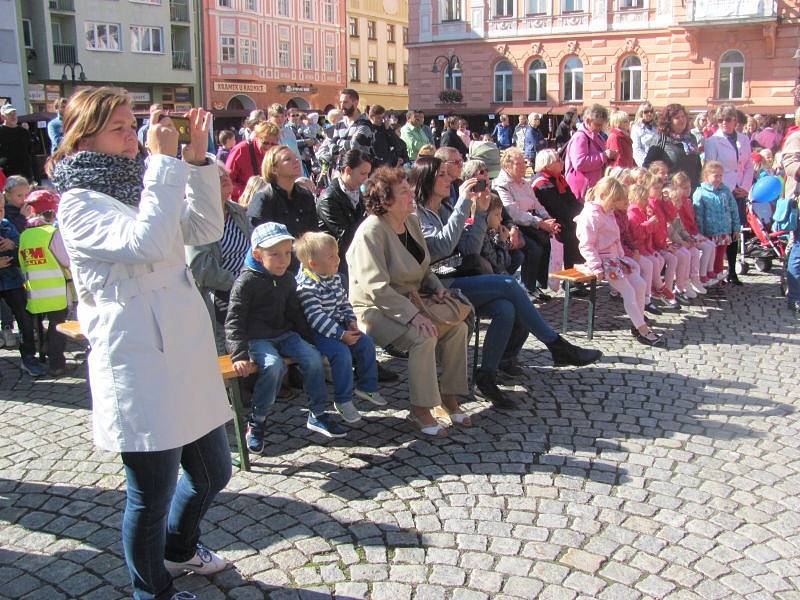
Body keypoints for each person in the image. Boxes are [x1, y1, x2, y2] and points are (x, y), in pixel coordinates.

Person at [49, 88, 232, 600]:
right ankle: (151, 591)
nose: (135, 137)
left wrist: (194, 164)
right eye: (121, 129)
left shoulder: (145, 183)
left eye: (135, 125)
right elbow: (145, 242)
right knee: (149, 493)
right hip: (139, 359)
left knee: (214, 471)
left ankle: (179, 547)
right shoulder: (79, 203)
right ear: (84, 136)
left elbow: (204, 226)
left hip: (184, 349)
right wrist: (164, 165)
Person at [411, 156, 602, 408]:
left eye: (449, 174)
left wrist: (479, 214)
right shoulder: (418, 214)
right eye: (443, 175)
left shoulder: (446, 207)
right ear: (427, 179)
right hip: (434, 286)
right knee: (509, 285)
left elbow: (469, 248)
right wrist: (462, 205)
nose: (450, 180)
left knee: (506, 307)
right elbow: (440, 247)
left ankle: (487, 375)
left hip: (459, 277)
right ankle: (556, 345)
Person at [346, 166, 471, 435]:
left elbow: (424, 268)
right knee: (422, 336)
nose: (411, 194)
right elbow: (375, 288)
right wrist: (413, 316)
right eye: (403, 192)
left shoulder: (411, 222)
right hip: (374, 309)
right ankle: (420, 410)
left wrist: (436, 288)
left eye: (409, 189)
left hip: (414, 300)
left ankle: (449, 396)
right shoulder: (371, 232)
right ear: (385, 201)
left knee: (457, 328)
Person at [226, 222, 347, 450]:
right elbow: (235, 320)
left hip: (284, 334)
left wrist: (309, 340)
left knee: (312, 358)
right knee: (273, 366)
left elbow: (295, 312)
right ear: (257, 255)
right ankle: (258, 420)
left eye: (286, 254)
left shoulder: (287, 278)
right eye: (275, 254)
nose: (283, 260)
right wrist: (239, 354)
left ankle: (318, 412)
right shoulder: (246, 282)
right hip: (257, 339)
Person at [295, 231, 386, 424]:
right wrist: (341, 334)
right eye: (331, 256)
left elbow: (343, 303)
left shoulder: (333, 277)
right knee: (341, 354)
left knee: (366, 343)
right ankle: (343, 400)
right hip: (319, 332)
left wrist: (351, 320)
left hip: (339, 326)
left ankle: (367, 386)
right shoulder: (307, 288)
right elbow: (316, 318)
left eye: (337, 254)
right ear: (313, 264)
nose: (337, 259)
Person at [575, 177, 663, 346]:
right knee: (628, 291)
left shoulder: (607, 212)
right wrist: (596, 266)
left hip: (615, 259)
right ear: (603, 195)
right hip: (602, 261)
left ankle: (637, 323)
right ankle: (642, 328)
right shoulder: (590, 216)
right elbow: (586, 245)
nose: (615, 205)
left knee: (640, 285)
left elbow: (616, 238)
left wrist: (622, 257)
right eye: (613, 201)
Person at [186, 164, 249, 331]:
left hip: (248, 285)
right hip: (218, 292)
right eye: (216, 175)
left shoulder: (238, 211)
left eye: (225, 173)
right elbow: (202, 269)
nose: (224, 177)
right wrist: (239, 285)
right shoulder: (195, 218)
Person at [17, 189, 72, 375]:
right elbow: (66, 260)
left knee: (38, 326)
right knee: (58, 326)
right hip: (56, 290)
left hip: (34, 291)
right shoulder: (52, 233)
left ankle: (41, 354)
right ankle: (57, 363)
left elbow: (23, 262)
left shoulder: (25, 235)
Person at [493, 147, 557, 301]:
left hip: (530, 221)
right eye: (519, 164)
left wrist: (548, 219)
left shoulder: (524, 183)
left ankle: (535, 284)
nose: (524, 167)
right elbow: (513, 213)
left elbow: (537, 204)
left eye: (524, 163)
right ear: (507, 166)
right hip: (511, 224)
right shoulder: (501, 184)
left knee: (546, 242)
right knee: (533, 249)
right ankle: (526, 287)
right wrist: (540, 223)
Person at [247, 145, 318, 273]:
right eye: (287, 159)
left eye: (296, 158)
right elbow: (257, 241)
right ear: (274, 169)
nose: (296, 161)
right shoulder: (264, 198)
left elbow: (314, 233)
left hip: (306, 266)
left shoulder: (305, 195)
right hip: (278, 271)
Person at [703, 104, 753, 285]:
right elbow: (711, 167)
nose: (724, 122)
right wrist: (727, 187)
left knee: (735, 230)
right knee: (720, 231)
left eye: (728, 119)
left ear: (735, 121)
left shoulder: (744, 139)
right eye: (721, 119)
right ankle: (716, 270)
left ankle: (732, 270)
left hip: (740, 190)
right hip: (722, 189)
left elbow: (748, 165)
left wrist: (745, 186)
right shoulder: (713, 141)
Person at [317, 149, 371, 280]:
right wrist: (370, 217)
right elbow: (345, 235)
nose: (366, 179)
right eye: (363, 173)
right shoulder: (328, 199)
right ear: (348, 170)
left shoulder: (358, 193)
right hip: (337, 261)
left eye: (368, 174)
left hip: (357, 254)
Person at [531, 149, 583, 270]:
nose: (562, 161)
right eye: (558, 160)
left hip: (564, 217)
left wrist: (583, 213)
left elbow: (572, 200)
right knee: (572, 233)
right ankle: (571, 275)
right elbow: (557, 207)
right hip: (548, 220)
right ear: (548, 165)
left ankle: (578, 273)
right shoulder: (542, 183)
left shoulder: (559, 179)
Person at [627, 179, 674, 310]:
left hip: (644, 248)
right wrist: (649, 224)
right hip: (636, 250)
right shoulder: (632, 213)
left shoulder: (641, 212)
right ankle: (652, 293)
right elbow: (637, 234)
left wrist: (651, 224)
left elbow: (648, 235)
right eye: (644, 199)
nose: (646, 202)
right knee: (648, 264)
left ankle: (655, 290)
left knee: (658, 259)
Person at [692, 161, 741, 285]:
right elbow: (698, 215)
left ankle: (718, 280)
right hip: (709, 232)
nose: (719, 179)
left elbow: (733, 209)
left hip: (723, 231)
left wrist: (735, 228)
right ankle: (705, 278)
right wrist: (700, 233)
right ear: (706, 176)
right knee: (709, 258)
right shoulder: (701, 193)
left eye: (720, 176)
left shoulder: (725, 191)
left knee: (719, 257)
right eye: (715, 176)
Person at [669, 171, 717, 289]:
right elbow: (681, 225)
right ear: (676, 187)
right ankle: (699, 275)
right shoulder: (677, 203)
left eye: (689, 187)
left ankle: (708, 271)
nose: (688, 190)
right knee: (705, 247)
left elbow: (692, 221)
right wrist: (693, 237)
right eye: (684, 188)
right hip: (685, 235)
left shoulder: (688, 202)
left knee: (711, 244)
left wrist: (698, 235)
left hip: (692, 232)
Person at [643, 103, 702, 189]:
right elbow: (648, 166)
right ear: (668, 121)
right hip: (670, 191)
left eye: (683, 116)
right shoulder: (661, 139)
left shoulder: (691, 138)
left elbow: (697, 165)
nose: (682, 120)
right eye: (677, 118)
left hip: (691, 190)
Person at [565, 105, 616, 201]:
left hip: (592, 188)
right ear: (588, 121)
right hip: (582, 190)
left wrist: (610, 157)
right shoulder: (580, 137)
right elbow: (579, 163)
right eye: (597, 124)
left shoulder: (597, 136)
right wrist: (604, 156)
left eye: (602, 125)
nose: (600, 128)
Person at [225, 121, 280, 201]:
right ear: (256, 137)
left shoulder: (277, 152)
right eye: (265, 143)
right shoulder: (241, 150)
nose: (268, 147)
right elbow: (227, 182)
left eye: (273, 144)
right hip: (243, 203)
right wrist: (248, 191)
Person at [0, 105, 34, 180]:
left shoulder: (24, 132)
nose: (13, 116)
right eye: (9, 114)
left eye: (14, 113)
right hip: (7, 173)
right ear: (3, 117)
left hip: (25, 173)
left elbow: (30, 152)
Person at [631, 102, 657, 167]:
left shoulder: (656, 127)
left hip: (657, 164)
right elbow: (636, 149)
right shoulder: (636, 128)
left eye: (651, 111)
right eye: (646, 112)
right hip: (644, 164)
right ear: (641, 113)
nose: (649, 114)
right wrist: (646, 163)